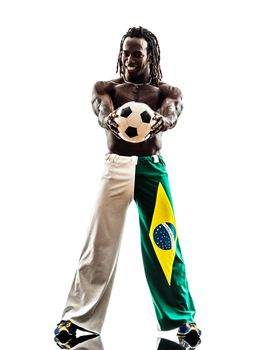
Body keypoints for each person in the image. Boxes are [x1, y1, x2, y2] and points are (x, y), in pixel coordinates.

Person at [54, 26, 201, 348]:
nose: (129, 59)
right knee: (99, 245)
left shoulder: (167, 91)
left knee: (165, 244)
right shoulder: (106, 87)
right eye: (125, 52)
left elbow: (172, 113)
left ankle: (181, 320)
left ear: (150, 56)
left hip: (152, 170)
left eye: (137, 53)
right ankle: (76, 319)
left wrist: (165, 120)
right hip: (116, 168)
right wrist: (107, 118)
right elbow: (101, 109)